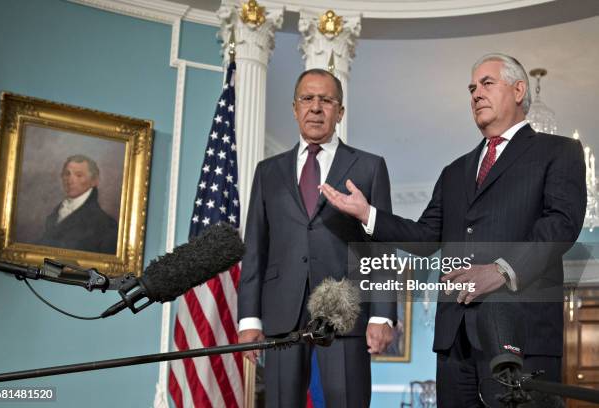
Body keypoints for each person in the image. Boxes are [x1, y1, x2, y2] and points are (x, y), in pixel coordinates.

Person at [321, 53, 586, 407]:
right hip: (454, 342)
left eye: (487, 83)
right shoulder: (455, 172)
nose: (476, 93)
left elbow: (561, 224)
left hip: (520, 336)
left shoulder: (560, 152)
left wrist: (501, 271)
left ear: (519, 89)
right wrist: (368, 213)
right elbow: (426, 237)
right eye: (472, 88)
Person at [238, 68, 397, 407]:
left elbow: (381, 247)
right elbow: (255, 248)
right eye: (307, 99)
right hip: (282, 314)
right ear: (295, 108)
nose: (315, 107)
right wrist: (250, 318)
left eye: (326, 100)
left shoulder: (369, 167)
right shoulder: (268, 172)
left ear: (340, 111)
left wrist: (382, 314)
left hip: (345, 310)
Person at [41, 154, 118, 254]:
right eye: (67, 174)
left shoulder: (106, 225)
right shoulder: (55, 214)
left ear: (94, 181)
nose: (70, 180)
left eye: (79, 175)